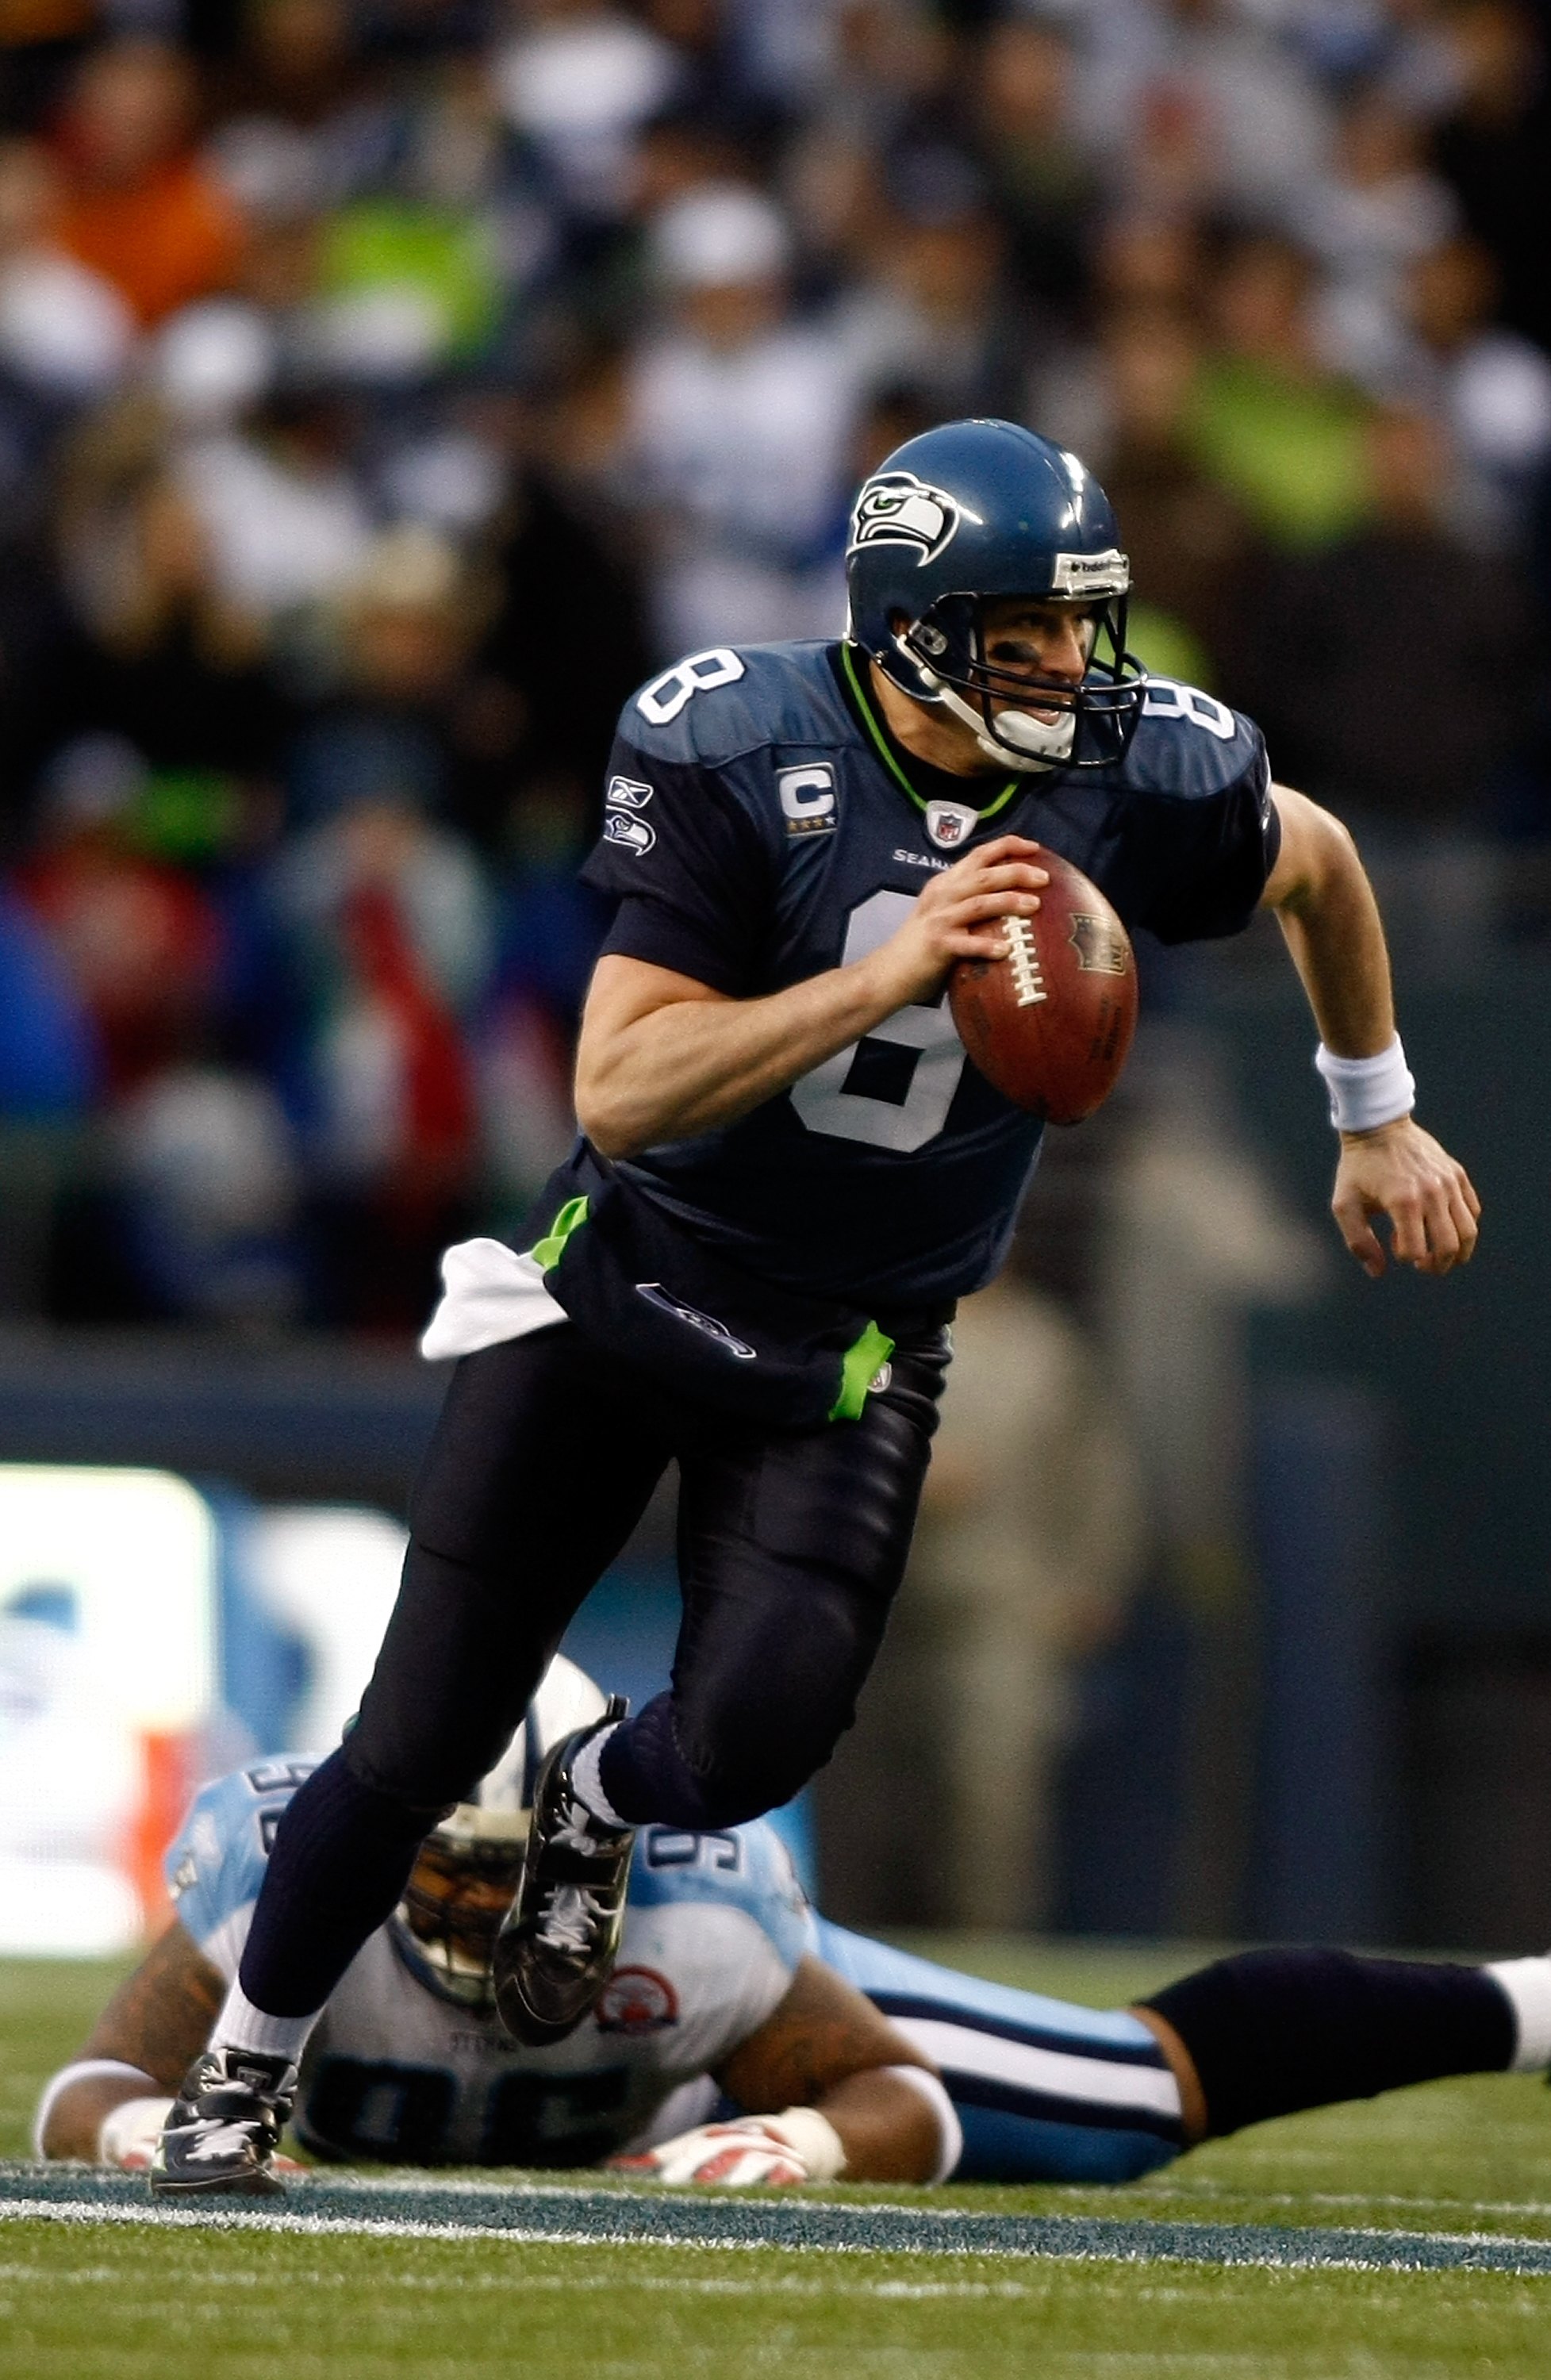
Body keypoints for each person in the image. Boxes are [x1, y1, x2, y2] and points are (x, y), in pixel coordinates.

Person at [152, 415, 1479, 2198]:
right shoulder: (733, 737)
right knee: (415, 1738)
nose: (1080, 669)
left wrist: (1372, 1109)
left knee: (756, 1737)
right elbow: (619, 1092)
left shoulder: (1140, 769)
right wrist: (882, 975)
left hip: (853, 1340)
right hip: (625, 1287)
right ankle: (238, 2083)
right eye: (1031, 633)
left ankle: (598, 1806)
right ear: (915, 627)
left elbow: (1312, 857)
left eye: (1090, 624)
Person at [40, 1664, 1551, 2196]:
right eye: (450, 1867)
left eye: (521, 1871)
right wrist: (139, 2138)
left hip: (684, 2083)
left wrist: (804, 2143)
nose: (487, 1907)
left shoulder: (693, 1920)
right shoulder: (272, 1883)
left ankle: (1530, 2013)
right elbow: (83, 2099)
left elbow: (896, 2095)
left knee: (1134, 2099)